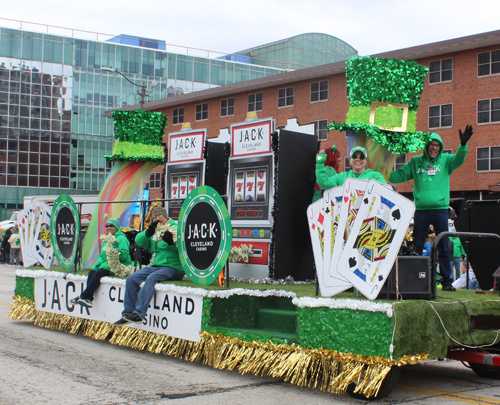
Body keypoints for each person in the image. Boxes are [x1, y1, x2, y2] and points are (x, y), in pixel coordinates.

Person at [389, 125, 473, 291]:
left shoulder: (446, 160)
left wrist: (463, 145)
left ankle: (447, 282)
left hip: (441, 209)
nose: (434, 148)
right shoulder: (415, 162)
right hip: (421, 210)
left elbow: (459, 159)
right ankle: (414, 279)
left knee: (443, 246)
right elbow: (399, 175)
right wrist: (383, 169)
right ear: (427, 147)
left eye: (437, 145)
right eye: (431, 145)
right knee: (417, 246)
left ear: (440, 148)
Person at [114, 206, 184, 325]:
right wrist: (147, 232)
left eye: (160, 216)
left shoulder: (175, 228)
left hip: (173, 267)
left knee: (152, 278)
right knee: (132, 278)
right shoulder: (156, 231)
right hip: (156, 265)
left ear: (166, 217)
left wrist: (171, 242)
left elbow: (183, 247)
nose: (158, 219)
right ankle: (127, 313)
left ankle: (139, 314)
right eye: (155, 218)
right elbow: (139, 241)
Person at [70, 218, 133, 308]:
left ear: (116, 227)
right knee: (92, 272)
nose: (108, 227)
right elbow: (101, 256)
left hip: (119, 265)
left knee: (99, 273)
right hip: (107, 264)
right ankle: (89, 298)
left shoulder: (121, 238)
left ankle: (83, 296)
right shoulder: (106, 240)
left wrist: (115, 250)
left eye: (111, 225)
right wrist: (98, 263)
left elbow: (124, 255)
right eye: (107, 226)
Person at [315, 146, 386, 189]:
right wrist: (320, 164)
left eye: (362, 157)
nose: (358, 159)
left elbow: (386, 192)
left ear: (366, 160)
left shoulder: (375, 176)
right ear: (350, 159)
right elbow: (324, 183)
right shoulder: (341, 177)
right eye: (354, 156)